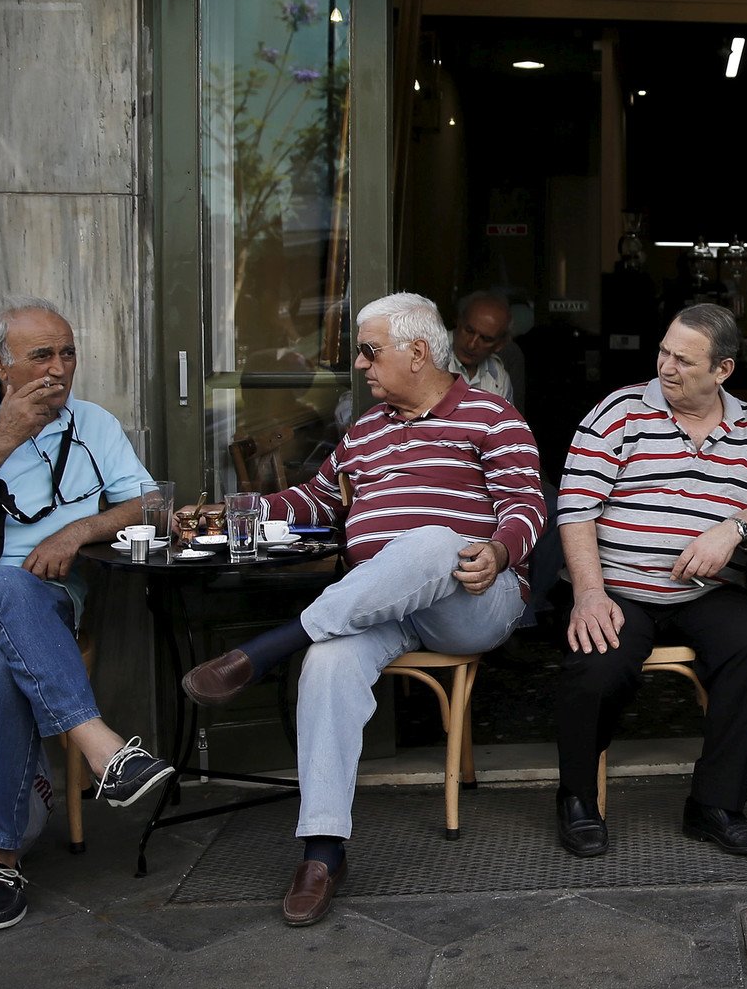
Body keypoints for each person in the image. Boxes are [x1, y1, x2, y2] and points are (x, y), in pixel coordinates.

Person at [178, 292, 544, 926]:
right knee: (327, 663)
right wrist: (229, 513)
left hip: (473, 598)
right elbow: (315, 501)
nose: (360, 364)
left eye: (371, 352)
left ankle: (268, 649)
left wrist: (498, 549)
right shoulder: (365, 431)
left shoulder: (493, 417)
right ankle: (322, 853)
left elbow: (528, 505)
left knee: (430, 542)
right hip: (383, 608)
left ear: (418, 352)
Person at [0, 298, 173, 932]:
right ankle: (102, 749)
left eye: (68, 353)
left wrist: (77, 531)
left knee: (3, 662)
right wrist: (6, 435)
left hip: (42, 604)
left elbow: (150, 505)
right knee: (7, 587)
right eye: (41, 355)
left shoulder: (93, 423)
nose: (59, 368)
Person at [552, 303, 747, 859]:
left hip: (707, 592)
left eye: (683, 360)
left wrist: (731, 530)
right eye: (663, 352)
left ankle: (715, 805)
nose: (665, 366)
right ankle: (577, 797)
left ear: (722, 370)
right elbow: (576, 508)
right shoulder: (619, 412)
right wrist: (589, 594)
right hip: (621, 588)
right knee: (598, 658)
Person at [450, 289, 516, 406]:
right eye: (469, 331)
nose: (471, 344)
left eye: (485, 339)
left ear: (499, 345)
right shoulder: (428, 355)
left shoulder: (499, 377)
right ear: (458, 322)